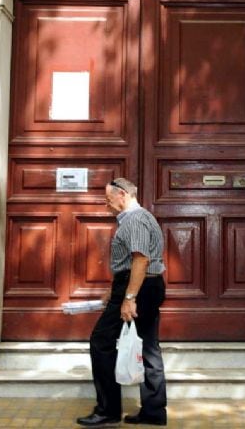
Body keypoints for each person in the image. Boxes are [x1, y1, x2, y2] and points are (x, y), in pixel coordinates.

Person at [77, 177, 168, 427]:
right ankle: (153, 412)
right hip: (143, 285)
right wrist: (113, 289)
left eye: (108, 199)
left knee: (102, 341)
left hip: (138, 287)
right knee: (149, 347)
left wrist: (128, 297)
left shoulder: (135, 219)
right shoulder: (141, 217)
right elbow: (132, 262)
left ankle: (108, 411)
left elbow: (140, 260)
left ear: (123, 195)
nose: (106, 205)